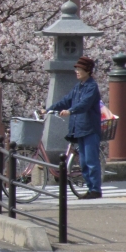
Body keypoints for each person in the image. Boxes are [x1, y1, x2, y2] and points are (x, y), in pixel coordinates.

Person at [43, 56, 102, 199]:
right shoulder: (78, 87)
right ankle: (91, 188)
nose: (77, 72)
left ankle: (95, 189)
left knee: (90, 161)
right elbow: (66, 100)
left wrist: (70, 111)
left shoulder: (91, 87)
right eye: (76, 69)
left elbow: (84, 104)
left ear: (88, 70)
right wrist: (49, 109)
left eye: (79, 69)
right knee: (83, 162)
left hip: (89, 128)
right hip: (79, 129)